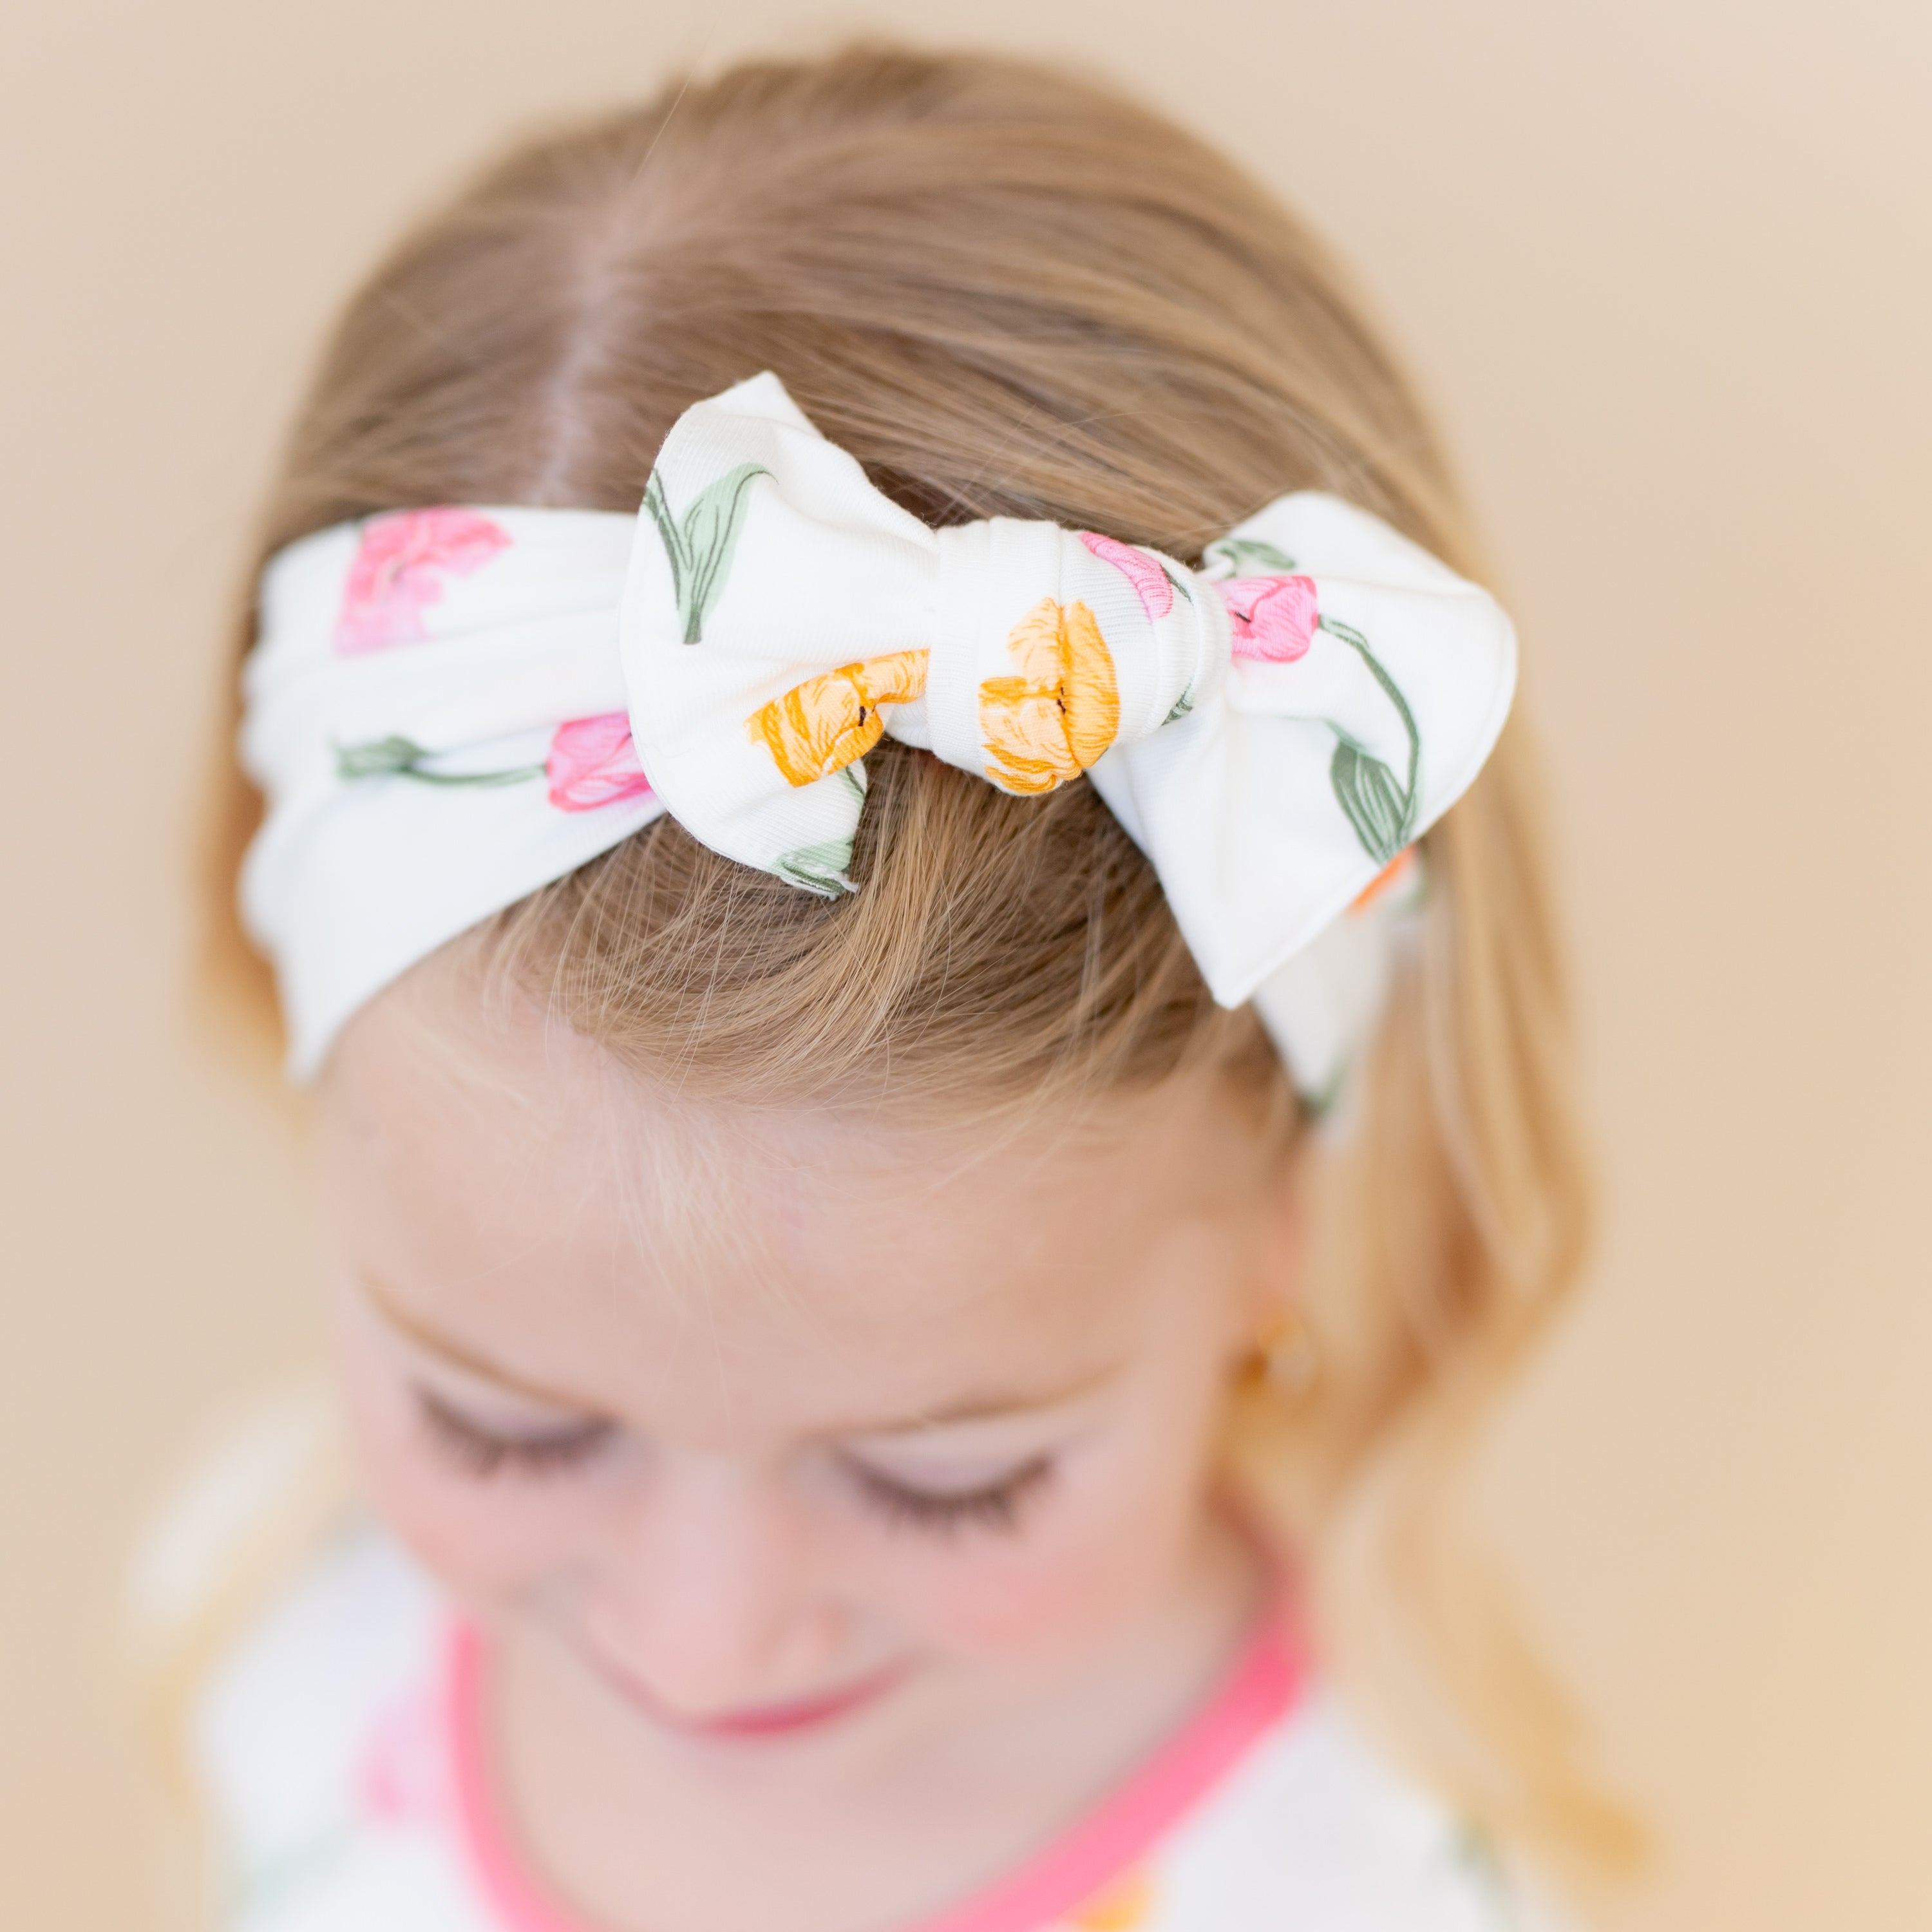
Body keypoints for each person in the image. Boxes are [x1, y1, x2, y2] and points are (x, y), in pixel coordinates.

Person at [169, 43, 1621, 1932]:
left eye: (953, 1486)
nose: (702, 1647)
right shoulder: (301, 1646)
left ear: (1287, 1210)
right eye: (500, 1430)